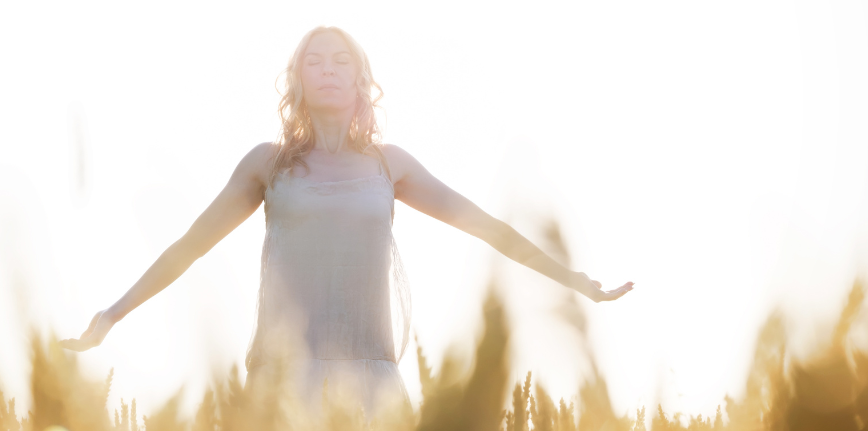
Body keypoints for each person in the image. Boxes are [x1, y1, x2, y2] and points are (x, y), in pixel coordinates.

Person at [59, 26, 635, 424]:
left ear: (361, 79)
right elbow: (190, 247)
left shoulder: (390, 165)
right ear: (297, 79)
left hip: (372, 379)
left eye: (342, 61)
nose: (328, 70)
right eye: (315, 61)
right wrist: (112, 313)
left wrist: (572, 280)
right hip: (284, 380)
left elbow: (486, 227)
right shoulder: (267, 164)